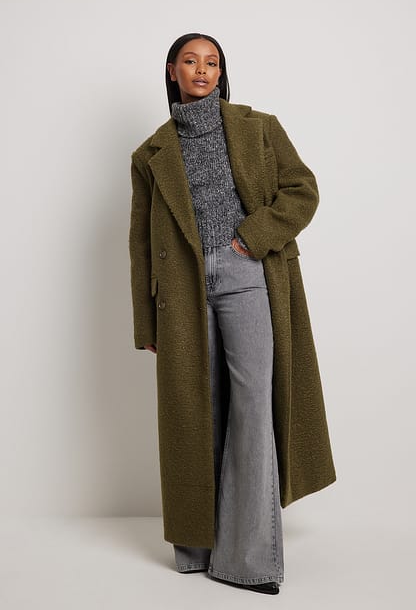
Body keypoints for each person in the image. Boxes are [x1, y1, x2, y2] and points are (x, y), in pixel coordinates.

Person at [129, 32, 336, 596]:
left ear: (221, 73)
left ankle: (249, 561)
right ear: (172, 70)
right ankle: (199, 548)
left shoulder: (257, 126)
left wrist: (251, 238)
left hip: (248, 273)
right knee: (194, 411)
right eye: (191, 61)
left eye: (212, 62)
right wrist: (146, 321)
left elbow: (302, 189)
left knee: (251, 407)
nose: (202, 70)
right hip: (181, 289)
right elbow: (141, 241)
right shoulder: (150, 153)